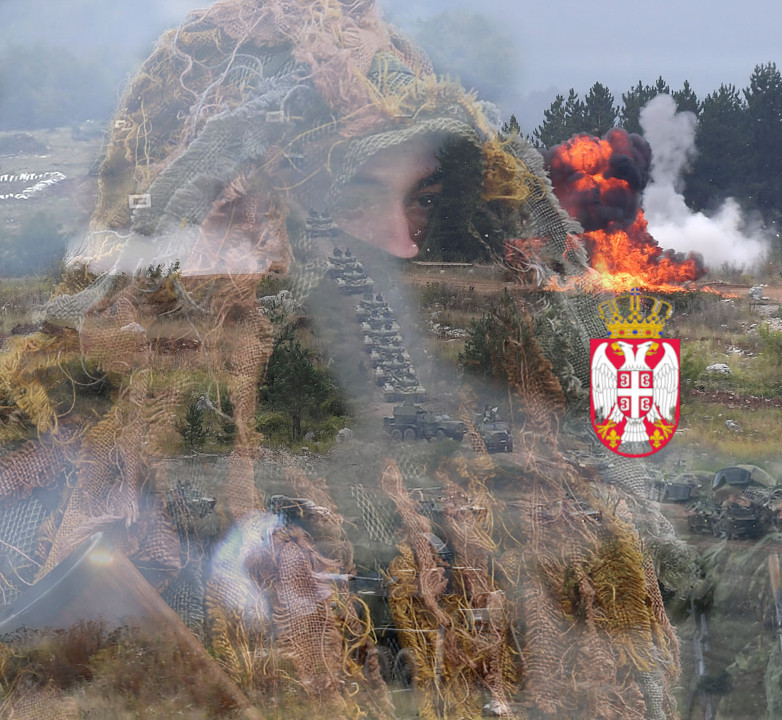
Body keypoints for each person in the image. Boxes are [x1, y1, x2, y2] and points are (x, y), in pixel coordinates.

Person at [0, 1, 685, 718]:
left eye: (421, 200)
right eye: (354, 200)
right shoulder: (74, 489)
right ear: (244, 215)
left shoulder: (495, 478)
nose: (401, 242)